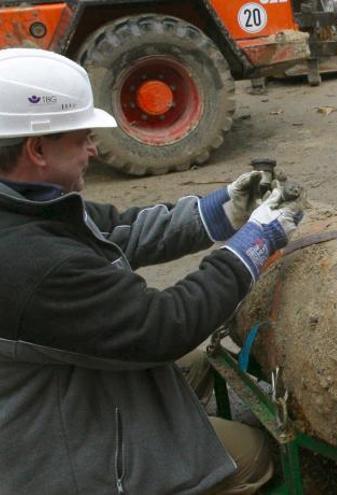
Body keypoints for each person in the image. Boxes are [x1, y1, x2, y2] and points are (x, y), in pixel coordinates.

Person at [0, 48, 303, 493]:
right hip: (50, 454)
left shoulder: (29, 205)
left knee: (197, 364)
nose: (92, 148)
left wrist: (223, 210)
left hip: (52, 385)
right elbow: (163, 325)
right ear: (37, 148)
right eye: (82, 136)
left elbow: (119, 230)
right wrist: (254, 245)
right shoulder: (31, 262)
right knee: (253, 453)